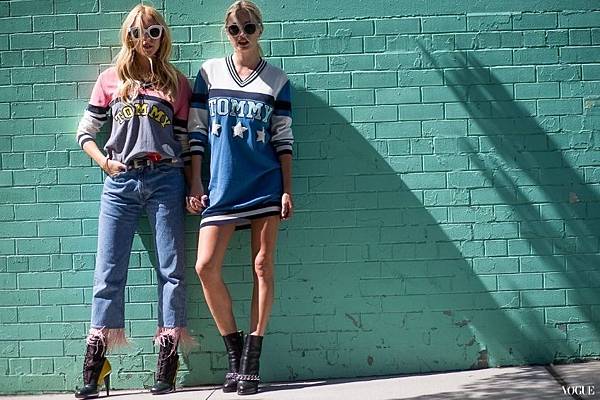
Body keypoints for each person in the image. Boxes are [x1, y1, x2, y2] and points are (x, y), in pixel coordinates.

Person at [74, 4, 196, 398]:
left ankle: (167, 365)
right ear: (129, 36)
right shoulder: (111, 80)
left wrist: (192, 184)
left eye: (154, 31)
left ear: (163, 36)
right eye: (139, 32)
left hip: (165, 179)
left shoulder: (176, 84)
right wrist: (105, 163)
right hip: (120, 181)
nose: (147, 39)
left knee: (172, 271)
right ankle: (94, 368)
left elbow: (187, 141)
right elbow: (85, 131)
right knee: (108, 273)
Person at [187, 0, 294, 395]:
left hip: (264, 184)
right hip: (222, 187)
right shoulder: (209, 73)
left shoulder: (277, 81)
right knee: (205, 266)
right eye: (234, 28)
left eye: (248, 27)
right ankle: (234, 354)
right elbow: (196, 130)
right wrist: (195, 182)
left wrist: (287, 188)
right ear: (227, 32)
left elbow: (284, 138)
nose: (242, 34)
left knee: (262, 266)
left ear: (260, 29)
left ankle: (252, 358)